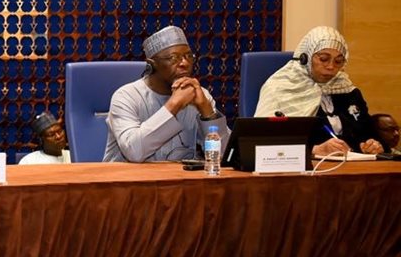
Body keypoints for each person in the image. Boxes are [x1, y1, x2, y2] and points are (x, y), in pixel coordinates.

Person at [104, 25, 229, 162]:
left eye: (188, 56)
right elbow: (134, 152)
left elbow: (225, 155)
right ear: (152, 65)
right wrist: (174, 104)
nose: (185, 63)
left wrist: (207, 111)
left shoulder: (199, 95)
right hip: (128, 175)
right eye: (173, 58)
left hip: (179, 175)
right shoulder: (126, 96)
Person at [255, 26, 384, 156]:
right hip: (306, 165)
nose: (331, 67)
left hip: (353, 165)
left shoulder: (348, 90)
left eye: (338, 61)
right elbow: (262, 142)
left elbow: (368, 133)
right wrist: (315, 150)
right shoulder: (280, 89)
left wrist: (371, 145)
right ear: (305, 57)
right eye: (323, 59)